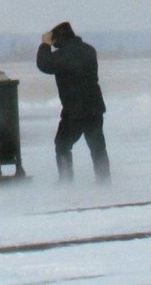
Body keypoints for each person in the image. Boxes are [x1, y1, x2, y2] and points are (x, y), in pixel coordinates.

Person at [36, 20, 109, 182]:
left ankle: (66, 181)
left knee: (62, 145)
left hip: (75, 110)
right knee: (98, 148)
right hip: (95, 108)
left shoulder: (63, 55)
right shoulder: (90, 50)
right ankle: (104, 182)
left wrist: (45, 45)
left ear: (60, 38)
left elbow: (44, 64)